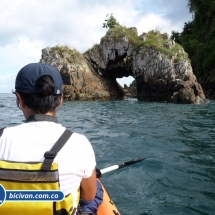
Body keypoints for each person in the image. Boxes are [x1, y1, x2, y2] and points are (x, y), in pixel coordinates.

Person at [0, 63, 103, 215]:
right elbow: (88, 196)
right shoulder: (80, 144)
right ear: (60, 100)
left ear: (19, 99)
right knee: (96, 189)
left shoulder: (2, 138)